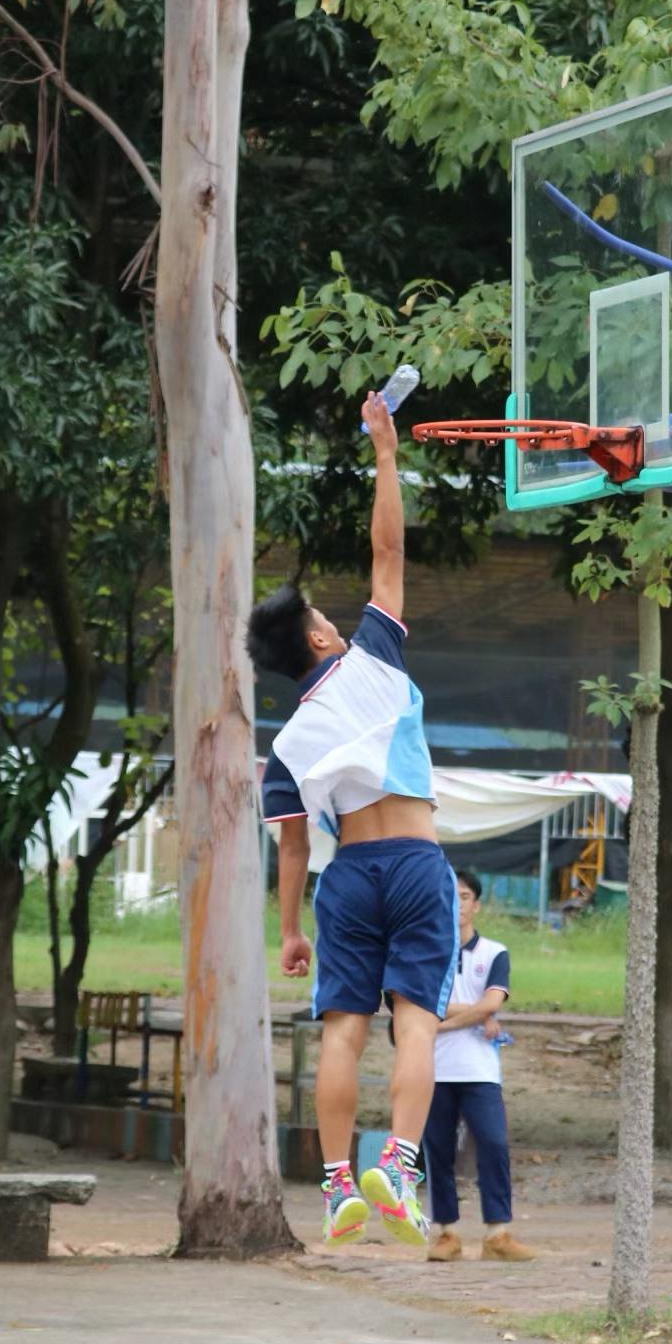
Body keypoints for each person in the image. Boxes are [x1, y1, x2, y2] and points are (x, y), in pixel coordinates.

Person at [248, 391, 450, 1249]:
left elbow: (292, 845)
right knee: (418, 1019)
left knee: (343, 1030)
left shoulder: (286, 745)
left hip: (345, 881)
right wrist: (385, 451)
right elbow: (390, 547)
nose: (333, 617)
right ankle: (400, 1163)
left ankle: (338, 1187)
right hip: (412, 862)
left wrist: (289, 931)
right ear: (322, 640)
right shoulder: (375, 657)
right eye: (323, 617)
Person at [423, 870, 535, 1263]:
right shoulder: (426, 952)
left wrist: (443, 1021)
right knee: (436, 1150)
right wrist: (474, 1013)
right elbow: (417, 1003)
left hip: (480, 1069)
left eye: (466, 896)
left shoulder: (494, 952)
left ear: (477, 904)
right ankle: (446, 1232)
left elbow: (492, 1004)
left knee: (494, 1143)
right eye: (451, 897)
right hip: (433, 1067)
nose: (459, 904)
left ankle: (498, 1232)